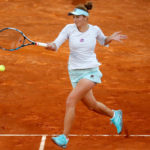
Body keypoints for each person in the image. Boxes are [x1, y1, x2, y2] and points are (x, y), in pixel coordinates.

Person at [46, 2, 127, 149]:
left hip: (90, 71)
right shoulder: (69, 29)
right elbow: (56, 44)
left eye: (77, 17)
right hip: (74, 73)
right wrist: (52, 46)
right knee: (92, 105)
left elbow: (103, 40)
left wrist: (111, 38)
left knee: (71, 100)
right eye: (73, 17)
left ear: (85, 18)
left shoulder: (94, 30)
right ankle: (115, 115)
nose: (74, 20)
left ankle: (64, 137)